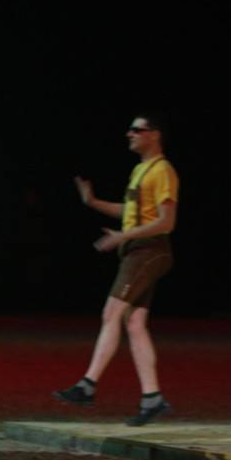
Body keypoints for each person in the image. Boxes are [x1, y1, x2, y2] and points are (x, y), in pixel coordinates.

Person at [53, 113, 179, 426]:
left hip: (148, 252)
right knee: (134, 323)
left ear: (155, 135)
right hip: (137, 251)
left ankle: (87, 385)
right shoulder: (141, 170)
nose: (130, 134)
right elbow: (130, 211)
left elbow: (166, 221)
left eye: (138, 129)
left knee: (111, 314)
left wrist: (123, 236)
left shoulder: (163, 171)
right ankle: (153, 399)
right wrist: (93, 201)